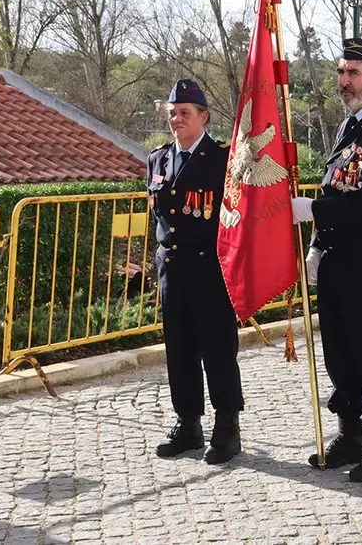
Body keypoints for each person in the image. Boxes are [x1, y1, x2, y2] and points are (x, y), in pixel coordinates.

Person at [291, 38, 362, 482]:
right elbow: (333, 188)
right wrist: (317, 245)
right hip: (338, 260)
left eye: (353, 73)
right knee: (339, 351)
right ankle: (350, 435)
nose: (344, 81)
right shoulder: (348, 129)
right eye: (340, 72)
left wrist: (312, 212)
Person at [146, 78, 243, 464]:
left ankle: (227, 427)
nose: (176, 120)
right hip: (172, 268)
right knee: (180, 350)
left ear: (204, 117)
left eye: (185, 113)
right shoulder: (157, 159)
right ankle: (188, 424)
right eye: (172, 113)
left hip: (210, 267)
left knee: (217, 348)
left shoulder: (222, 160)